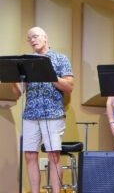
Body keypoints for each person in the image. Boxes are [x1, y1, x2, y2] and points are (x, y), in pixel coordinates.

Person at [11, 27, 74, 193]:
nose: (32, 40)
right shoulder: (27, 62)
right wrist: (13, 78)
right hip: (30, 114)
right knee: (29, 155)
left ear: (45, 37)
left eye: (35, 36)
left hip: (52, 114)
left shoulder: (60, 58)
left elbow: (69, 87)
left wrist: (49, 74)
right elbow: (17, 93)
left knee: (53, 156)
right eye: (29, 38)